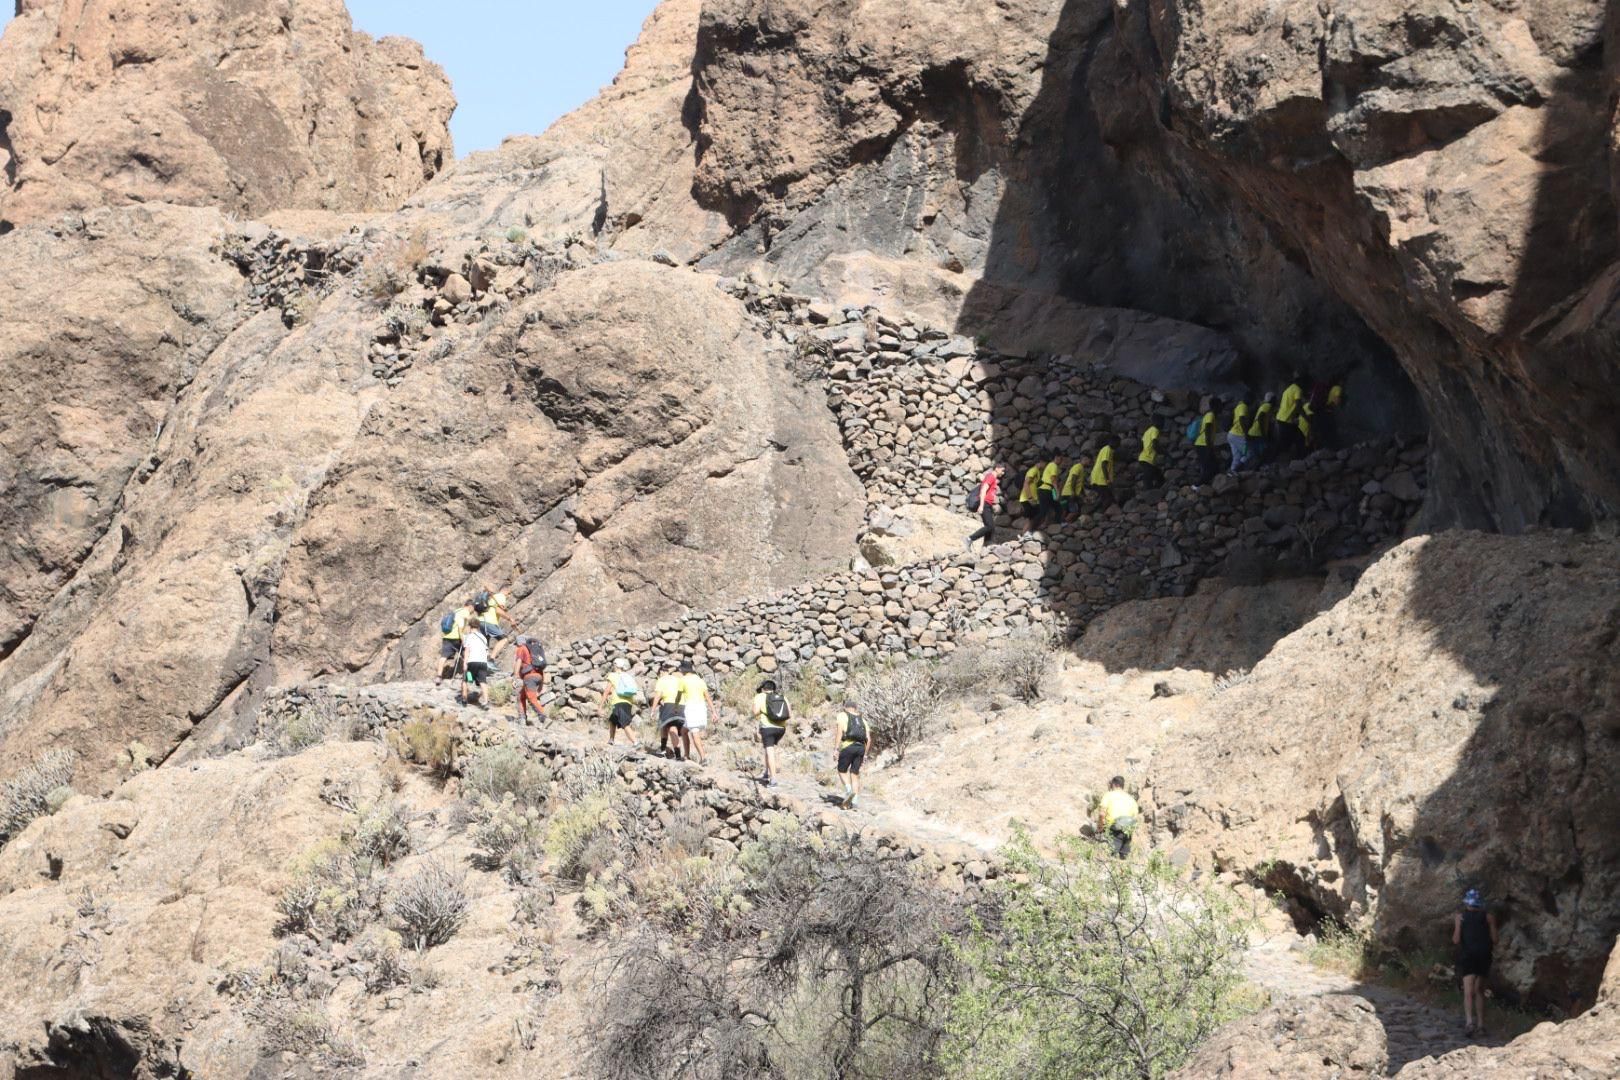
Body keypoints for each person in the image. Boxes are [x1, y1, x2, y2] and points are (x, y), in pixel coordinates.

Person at [1454, 889, 1499, 1036]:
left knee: (1468, 992)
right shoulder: (1488, 917)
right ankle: (1481, 1024)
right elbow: (1495, 939)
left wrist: (1458, 924)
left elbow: (1456, 940)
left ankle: (1469, 1023)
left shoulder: (1461, 917)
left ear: (1467, 903)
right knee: (1479, 990)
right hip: (1484, 956)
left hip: (1468, 956)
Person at [833, 702, 872, 809]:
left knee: (841, 770)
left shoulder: (842, 716)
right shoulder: (863, 720)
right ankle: (854, 802)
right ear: (855, 708)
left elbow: (839, 733)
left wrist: (836, 749)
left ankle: (849, 791)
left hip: (848, 747)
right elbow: (868, 739)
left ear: (845, 708)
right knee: (854, 774)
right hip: (861, 748)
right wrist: (865, 755)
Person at [753, 679, 791, 786]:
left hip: (767, 728)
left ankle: (773, 779)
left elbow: (755, 712)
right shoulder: (782, 697)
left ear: (762, 689)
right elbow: (790, 714)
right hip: (781, 729)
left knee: (770, 751)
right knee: (768, 748)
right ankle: (766, 772)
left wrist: (761, 712)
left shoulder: (759, 696)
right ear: (773, 689)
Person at [677, 660, 714, 765]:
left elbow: (679, 695)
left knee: (694, 732)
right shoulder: (700, 680)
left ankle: (703, 758)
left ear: (683, 669)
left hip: (691, 708)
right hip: (702, 707)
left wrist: (675, 706)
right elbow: (707, 697)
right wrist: (714, 712)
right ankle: (686, 755)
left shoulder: (683, 680)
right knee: (684, 730)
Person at [1096, 776, 1140, 859]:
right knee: (1123, 859)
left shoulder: (1109, 795)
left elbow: (1102, 814)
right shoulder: (1131, 799)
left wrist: (1100, 827)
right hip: (1128, 831)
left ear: (1113, 784)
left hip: (1114, 830)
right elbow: (1135, 818)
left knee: (1109, 858)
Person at [599, 658, 640, 746]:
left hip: (618, 702)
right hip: (628, 702)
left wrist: (600, 706)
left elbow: (606, 691)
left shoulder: (613, 675)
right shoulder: (627, 676)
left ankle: (635, 742)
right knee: (613, 720)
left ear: (615, 665)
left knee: (624, 723)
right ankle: (611, 739)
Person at [436, 599, 475, 688]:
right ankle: (469, 677)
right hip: (457, 638)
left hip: (447, 637)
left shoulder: (456, 611)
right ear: (470, 606)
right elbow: (460, 628)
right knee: (467, 657)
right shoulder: (465, 612)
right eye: (473, 609)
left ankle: (438, 676)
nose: (473, 611)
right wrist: (464, 640)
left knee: (443, 657)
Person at [966, 464, 1006, 550]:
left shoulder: (993, 478)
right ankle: (970, 539)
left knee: (990, 527)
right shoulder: (991, 476)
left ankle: (987, 546)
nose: (1003, 473)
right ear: (997, 468)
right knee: (989, 526)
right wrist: (981, 505)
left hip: (987, 504)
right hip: (985, 504)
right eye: (1002, 470)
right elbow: (983, 490)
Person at [651, 663, 687, 758]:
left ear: (662, 672)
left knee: (664, 724)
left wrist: (653, 709)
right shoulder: (677, 679)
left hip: (669, 704)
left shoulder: (662, 679)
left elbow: (658, 695)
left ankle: (663, 749)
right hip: (681, 705)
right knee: (672, 728)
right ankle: (678, 755)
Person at [512, 636, 546, 724]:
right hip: (538, 676)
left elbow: (518, 662)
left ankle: (544, 716)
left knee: (531, 697)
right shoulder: (533, 651)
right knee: (521, 696)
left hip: (529, 677)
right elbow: (540, 667)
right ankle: (522, 718)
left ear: (519, 643)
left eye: (516, 644)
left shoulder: (521, 648)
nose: (516, 647)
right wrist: (541, 684)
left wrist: (515, 677)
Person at [460, 619, 492, 709]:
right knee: (483, 681)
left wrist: (465, 663)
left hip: (472, 661)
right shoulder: (483, 638)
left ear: (469, 626)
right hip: (483, 662)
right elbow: (487, 651)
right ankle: (486, 701)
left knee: (465, 680)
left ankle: (464, 699)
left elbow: (467, 651)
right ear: (478, 627)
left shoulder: (468, 637)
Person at [1276, 373, 1305, 458]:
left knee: (1296, 438)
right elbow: (1298, 405)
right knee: (1296, 439)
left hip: (1282, 419)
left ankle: (1298, 459)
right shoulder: (1297, 390)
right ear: (1299, 381)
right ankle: (1299, 459)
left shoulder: (1288, 390)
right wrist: (1307, 418)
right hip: (1286, 421)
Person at [1193, 397, 1220, 486]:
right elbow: (1207, 430)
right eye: (1220, 406)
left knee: (1214, 466)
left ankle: (1210, 485)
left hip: (1203, 444)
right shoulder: (1210, 415)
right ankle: (1196, 486)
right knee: (1208, 468)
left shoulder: (1209, 415)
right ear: (1216, 406)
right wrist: (1209, 447)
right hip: (1203, 444)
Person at [1137, 416, 1165, 490]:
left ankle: (1157, 489)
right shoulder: (1155, 430)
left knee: (1158, 475)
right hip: (1148, 458)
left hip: (1144, 457)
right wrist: (1163, 452)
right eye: (1162, 422)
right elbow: (1155, 443)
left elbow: (1141, 444)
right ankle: (1149, 492)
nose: (1163, 424)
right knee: (1148, 477)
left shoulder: (1147, 431)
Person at [1248, 392, 1276, 464]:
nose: (1276, 400)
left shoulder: (1264, 405)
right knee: (1262, 452)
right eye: (1275, 398)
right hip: (1257, 433)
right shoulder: (1268, 406)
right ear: (1272, 399)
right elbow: (1260, 417)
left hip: (1254, 433)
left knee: (1257, 454)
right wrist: (1263, 433)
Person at [1088, 441, 1115, 511]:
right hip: (1101, 479)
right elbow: (1103, 465)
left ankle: (1096, 513)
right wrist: (1108, 480)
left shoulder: (1105, 449)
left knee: (1104, 497)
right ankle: (1099, 514)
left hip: (1097, 478)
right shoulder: (1107, 449)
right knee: (1107, 498)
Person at [1227, 400, 1251, 473]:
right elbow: (1241, 418)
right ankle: (1236, 470)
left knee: (1237, 457)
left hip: (1231, 435)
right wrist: (1246, 433)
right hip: (1239, 435)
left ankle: (1232, 472)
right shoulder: (1243, 406)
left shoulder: (1237, 407)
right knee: (1249, 453)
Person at [1060, 457, 1088, 522]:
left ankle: (1060, 524)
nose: (1089, 463)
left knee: (1064, 509)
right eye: (1089, 460)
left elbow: (1080, 484)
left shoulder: (1078, 467)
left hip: (1065, 493)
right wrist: (1072, 491)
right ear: (1085, 459)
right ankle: (1064, 523)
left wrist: (1084, 495)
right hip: (1070, 494)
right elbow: (1073, 478)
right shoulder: (1078, 467)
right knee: (1074, 511)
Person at [1017, 463, 1041, 529]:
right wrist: (1030, 498)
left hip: (1030, 498)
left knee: (1032, 519)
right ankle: (1024, 535)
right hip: (1028, 499)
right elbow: (1026, 483)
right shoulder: (1033, 470)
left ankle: (1026, 534)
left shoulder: (1037, 471)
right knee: (1030, 519)